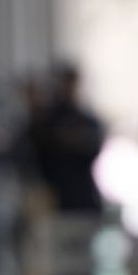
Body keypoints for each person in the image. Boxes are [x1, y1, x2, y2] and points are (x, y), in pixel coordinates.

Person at [35, 65, 105, 213]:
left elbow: (94, 148)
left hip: (83, 193)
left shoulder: (87, 119)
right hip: (57, 193)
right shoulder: (48, 121)